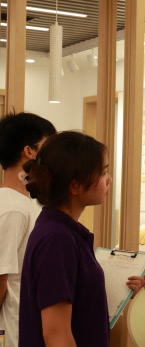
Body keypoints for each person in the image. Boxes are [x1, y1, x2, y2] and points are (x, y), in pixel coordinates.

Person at [19, 131, 145, 347]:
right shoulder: (57, 239)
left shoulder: (64, 231)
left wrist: (120, 289)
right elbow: (56, 335)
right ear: (74, 186)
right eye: (103, 173)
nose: (109, 180)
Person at [0, 111, 56, 346]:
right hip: (13, 333)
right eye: (48, 146)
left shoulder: (22, 204)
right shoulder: (13, 208)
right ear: (29, 151)